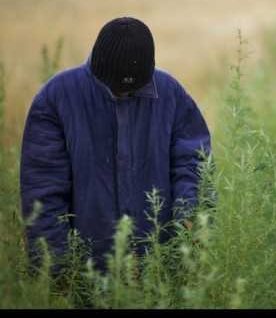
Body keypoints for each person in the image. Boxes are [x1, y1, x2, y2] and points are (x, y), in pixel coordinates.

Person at [20, 16, 212, 273]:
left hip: (159, 269)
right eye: (115, 88)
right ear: (99, 69)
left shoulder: (170, 94)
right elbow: (42, 190)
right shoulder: (57, 97)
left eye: (133, 90)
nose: (124, 95)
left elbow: (194, 164)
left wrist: (191, 225)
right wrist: (56, 269)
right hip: (86, 273)